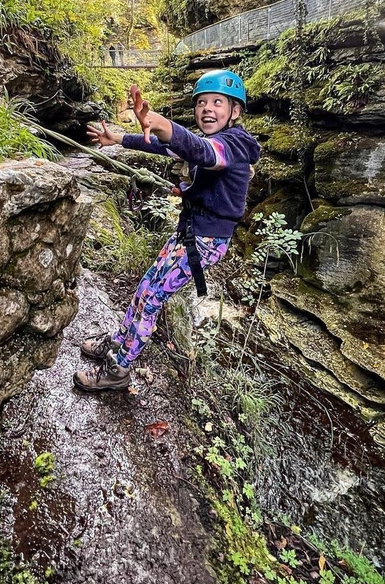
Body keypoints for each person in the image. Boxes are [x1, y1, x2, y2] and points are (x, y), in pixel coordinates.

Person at [74, 69, 261, 392]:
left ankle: (119, 370)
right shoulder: (208, 142)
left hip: (205, 242)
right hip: (190, 234)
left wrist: (160, 123)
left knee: (151, 300)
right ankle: (118, 342)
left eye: (218, 102)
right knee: (145, 286)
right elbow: (168, 148)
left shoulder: (233, 145)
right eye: (202, 102)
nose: (207, 108)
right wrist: (118, 138)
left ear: (235, 112)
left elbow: (204, 153)